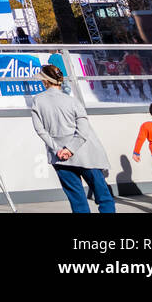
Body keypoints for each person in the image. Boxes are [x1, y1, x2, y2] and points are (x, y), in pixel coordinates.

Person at [31, 63, 115, 213]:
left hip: (60, 158)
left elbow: (40, 130)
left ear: (45, 81)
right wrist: (70, 149)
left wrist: (59, 150)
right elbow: (83, 130)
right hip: (86, 154)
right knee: (103, 196)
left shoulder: (38, 101)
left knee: (77, 200)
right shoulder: (73, 101)